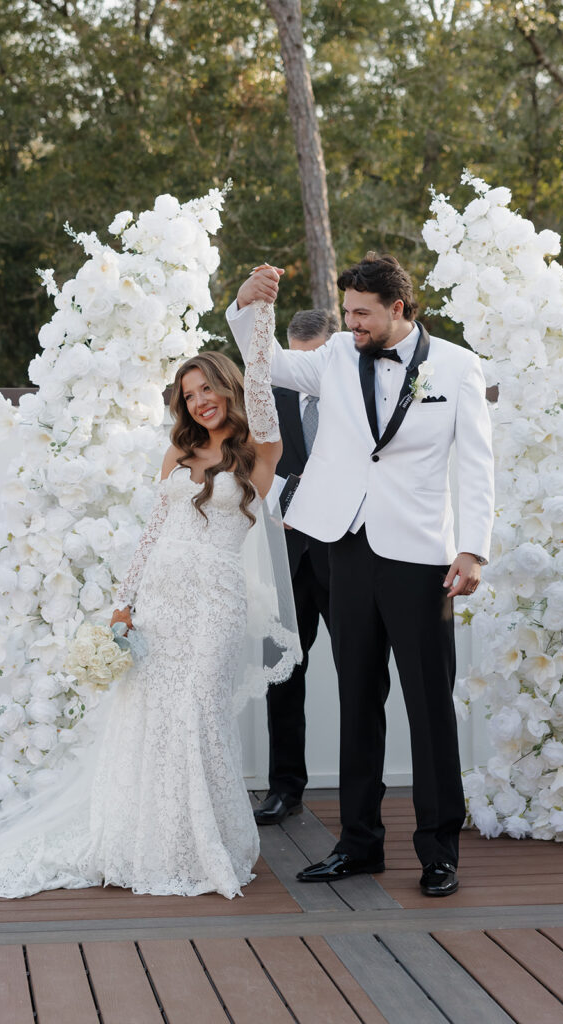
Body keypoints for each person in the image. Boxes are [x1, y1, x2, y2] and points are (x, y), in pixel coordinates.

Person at [0, 305, 299, 954]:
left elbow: (267, 404)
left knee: (197, 715)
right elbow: (149, 534)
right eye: (188, 395)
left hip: (215, 608)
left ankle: (200, 846)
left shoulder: (258, 454)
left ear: (228, 387)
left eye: (207, 390)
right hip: (158, 605)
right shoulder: (178, 450)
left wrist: (256, 315)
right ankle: (140, 845)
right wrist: (122, 604)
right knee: (143, 721)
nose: (199, 403)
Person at [227, 254, 494, 897]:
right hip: (345, 546)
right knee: (357, 701)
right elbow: (267, 362)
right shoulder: (337, 356)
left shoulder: (457, 366)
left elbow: (478, 465)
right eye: (347, 312)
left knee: (430, 706)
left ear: (399, 309)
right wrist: (246, 304)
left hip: (423, 556)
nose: (351, 324)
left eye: (361, 313)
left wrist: (472, 550)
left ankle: (439, 852)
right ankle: (358, 845)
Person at [254, 308, 339, 827]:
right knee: (281, 672)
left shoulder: (352, 396)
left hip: (342, 553)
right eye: (295, 362)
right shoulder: (268, 396)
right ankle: (285, 787)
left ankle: (361, 791)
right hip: (280, 556)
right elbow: (249, 465)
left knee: (359, 672)